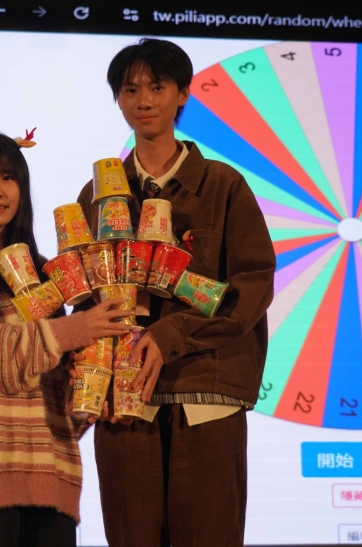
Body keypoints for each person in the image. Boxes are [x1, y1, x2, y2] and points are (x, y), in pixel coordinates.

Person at [73, 39, 276, 546]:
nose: (144, 100)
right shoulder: (98, 195)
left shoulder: (223, 185)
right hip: (124, 400)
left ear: (182, 93)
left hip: (206, 396)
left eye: (157, 87)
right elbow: (81, 293)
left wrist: (173, 334)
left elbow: (252, 287)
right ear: (118, 99)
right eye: (130, 90)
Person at [0, 131, 133, 547]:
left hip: (51, 471)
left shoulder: (44, 271)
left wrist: (98, 390)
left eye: (7, 178)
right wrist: (80, 328)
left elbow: (58, 389)